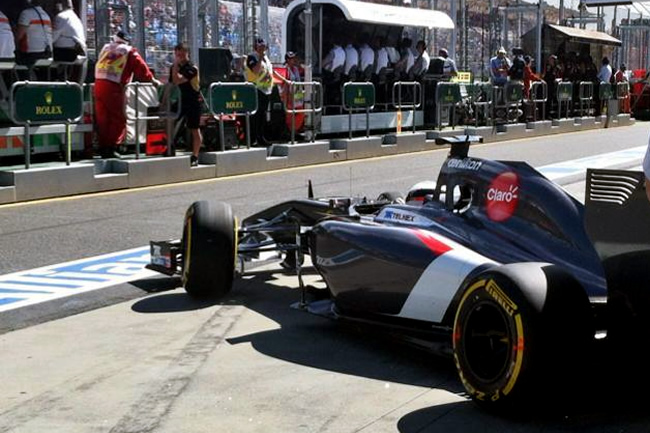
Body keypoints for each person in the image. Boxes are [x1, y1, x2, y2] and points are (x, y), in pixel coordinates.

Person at [94, 31, 160, 158]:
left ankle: (102, 147)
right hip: (114, 87)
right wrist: (152, 80)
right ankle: (112, 147)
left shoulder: (106, 48)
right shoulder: (129, 51)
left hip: (98, 85)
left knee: (103, 118)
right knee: (118, 118)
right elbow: (141, 68)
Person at [170, 43, 202, 167]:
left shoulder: (192, 68)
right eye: (178, 54)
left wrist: (176, 66)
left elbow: (178, 80)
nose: (180, 56)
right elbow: (172, 81)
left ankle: (195, 156)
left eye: (182, 54)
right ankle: (169, 146)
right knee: (170, 120)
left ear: (187, 53)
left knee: (194, 128)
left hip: (193, 100)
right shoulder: (175, 67)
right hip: (181, 99)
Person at [245, 49, 273, 147]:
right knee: (254, 116)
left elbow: (269, 72)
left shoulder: (266, 58)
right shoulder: (252, 57)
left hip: (266, 90)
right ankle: (253, 139)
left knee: (262, 115)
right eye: (260, 45)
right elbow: (256, 70)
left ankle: (261, 137)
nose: (263, 47)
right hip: (255, 89)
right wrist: (260, 57)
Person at [15, 0, 52, 70]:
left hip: (30, 53)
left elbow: (19, 35)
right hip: (46, 52)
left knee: (15, 65)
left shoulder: (26, 13)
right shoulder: (46, 15)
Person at [274, 51, 304, 135]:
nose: (293, 60)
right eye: (291, 58)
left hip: (297, 96)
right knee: (289, 115)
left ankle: (295, 130)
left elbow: (304, 69)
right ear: (287, 60)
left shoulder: (296, 68)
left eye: (294, 58)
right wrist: (286, 81)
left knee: (300, 113)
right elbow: (275, 74)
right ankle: (289, 132)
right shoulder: (284, 69)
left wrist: (299, 64)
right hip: (288, 96)